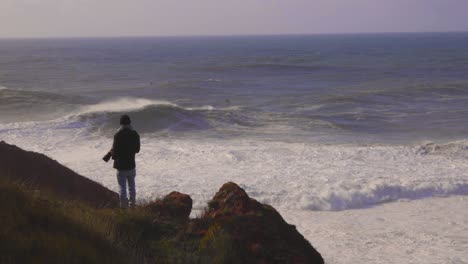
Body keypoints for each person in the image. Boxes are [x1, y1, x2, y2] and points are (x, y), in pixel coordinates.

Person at [107, 114, 140, 208]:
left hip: (120, 166)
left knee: (122, 188)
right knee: (132, 187)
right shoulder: (135, 134)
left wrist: (112, 155)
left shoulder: (117, 135)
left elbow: (115, 152)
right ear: (129, 123)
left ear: (121, 123)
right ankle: (132, 206)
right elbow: (137, 150)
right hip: (131, 164)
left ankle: (123, 208)